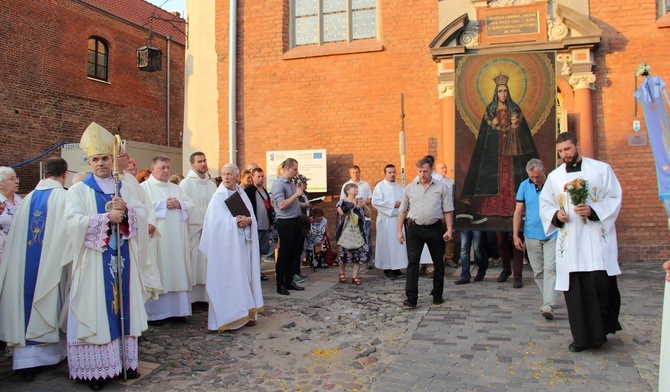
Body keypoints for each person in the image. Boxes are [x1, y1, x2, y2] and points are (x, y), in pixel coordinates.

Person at [64, 122, 149, 390]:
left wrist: (128, 213)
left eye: (105, 158)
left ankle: (123, 363)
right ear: (88, 163)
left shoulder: (125, 185)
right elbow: (71, 222)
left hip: (122, 256)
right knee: (98, 310)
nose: (101, 163)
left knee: (123, 308)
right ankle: (96, 371)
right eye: (96, 159)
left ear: (113, 160)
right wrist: (104, 218)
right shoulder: (79, 190)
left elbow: (142, 213)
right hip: (94, 261)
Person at [539, 132, 622, 352]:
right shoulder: (555, 177)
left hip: (595, 240)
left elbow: (614, 197)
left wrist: (593, 210)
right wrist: (557, 216)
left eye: (567, 149)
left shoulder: (601, 170)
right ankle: (581, 338)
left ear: (577, 145)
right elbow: (545, 204)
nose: (564, 154)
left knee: (599, 288)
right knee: (575, 292)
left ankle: (600, 335)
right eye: (560, 151)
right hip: (572, 243)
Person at [0, 158, 69, 381]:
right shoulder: (64, 197)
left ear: (44, 173)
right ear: (64, 174)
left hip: (23, 268)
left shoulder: (27, 199)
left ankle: (25, 361)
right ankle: (47, 356)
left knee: (25, 303)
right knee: (47, 300)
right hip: (51, 265)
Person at [461, 73, 539, 218]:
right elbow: (484, 136)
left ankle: (515, 207)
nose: (503, 94)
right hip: (493, 151)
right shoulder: (490, 111)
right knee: (494, 177)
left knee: (512, 176)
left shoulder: (515, 109)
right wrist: (493, 126)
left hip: (513, 148)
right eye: (500, 91)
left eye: (505, 91)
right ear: (495, 93)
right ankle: (491, 206)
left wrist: (514, 126)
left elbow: (524, 132)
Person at [200, 164, 264, 332]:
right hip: (225, 250)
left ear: (237, 176)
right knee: (229, 280)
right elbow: (214, 224)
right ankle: (227, 317)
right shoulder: (217, 197)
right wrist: (234, 221)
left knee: (245, 278)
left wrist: (249, 221)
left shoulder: (242, 194)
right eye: (223, 174)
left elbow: (252, 217)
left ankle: (247, 313)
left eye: (229, 174)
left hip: (243, 245)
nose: (226, 177)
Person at [141, 155, 194, 324]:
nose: (165, 171)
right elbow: (142, 209)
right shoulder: (144, 188)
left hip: (177, 239)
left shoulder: (176, 189)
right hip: (157, 239)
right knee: (160, 270)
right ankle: (156, 314)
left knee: (177, 270)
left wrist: (180, 205)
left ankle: (178, 311)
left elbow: (190, 205)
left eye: (168, 168)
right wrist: (163, 204)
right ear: (152, 169)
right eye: (162, 167)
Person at [397, 157, 454, 308]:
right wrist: (399, 231)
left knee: (438, 263)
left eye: (425, 171)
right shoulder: (410, 188)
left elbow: (448, 210)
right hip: (415, 229)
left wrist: (449, 229)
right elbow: (403, 211)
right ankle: (411, 298)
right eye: (420, 171)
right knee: (413, 263)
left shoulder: (441, 187)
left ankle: (437, 294)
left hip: (435, 228)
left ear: (431, 170)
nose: (422, 174)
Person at [513, 158, 557, 319]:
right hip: (531, 233)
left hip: (552, 232)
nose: (535, 180)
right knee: (538, 271)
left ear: (544, 170)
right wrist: (515, 235)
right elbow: (518, 212)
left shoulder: (553, 184)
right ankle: (548, 297)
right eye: (532, 177)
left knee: (550, 268)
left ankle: (548, 304)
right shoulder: (524, 185)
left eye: (537, 176)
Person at [180, 152, 217, 304]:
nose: (203, 164)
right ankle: (193, 299)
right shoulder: (186, 183)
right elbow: (184, 206)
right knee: (195, 265)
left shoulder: (211, 184)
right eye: (199, 161)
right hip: (194, 231)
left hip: (210, 230)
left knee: (208, 265)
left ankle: (207, 298)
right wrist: (199, 224)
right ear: (192, 165)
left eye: (204, 160)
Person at [270, 158, 305, 295]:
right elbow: (281, 205)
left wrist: (301, 201)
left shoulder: (291, 183)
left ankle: (289, 281)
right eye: (295, 169)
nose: (297, 172)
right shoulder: (279, 184)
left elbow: (293, 202)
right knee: (284, 253)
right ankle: (280, 284)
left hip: (295, 220)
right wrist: (296, 194)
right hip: (286, 222)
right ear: (287, 169)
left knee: (294, 253)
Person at [371, 164, 407, 280]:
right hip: (386, 220)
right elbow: (375, 202)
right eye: (390, 172)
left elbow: (406, 202)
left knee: (397, 245)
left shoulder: (400, 187)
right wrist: (392, 204)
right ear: (385, 174)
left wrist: (401, 205)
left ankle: (397, 268)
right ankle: (387, 269)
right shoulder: (380, 186)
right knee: (386, 244)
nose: (392, 174)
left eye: (394, 172)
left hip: (398, 220)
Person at [336, 183, 371, 285]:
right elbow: (341, 213)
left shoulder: (361, 201)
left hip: (359, 232)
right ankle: (341, 273)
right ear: (347, 190)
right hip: (346, 232)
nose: (356, 189)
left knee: (358, 254)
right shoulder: (342, 202)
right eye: (353, 188)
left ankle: (355, 276)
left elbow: (368, 215)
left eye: (356, 188)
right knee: (344, 253)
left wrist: (364, 206)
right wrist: (353, 206)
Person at [243, 167, 273, 281]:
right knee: (253, 250)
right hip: (254, 225)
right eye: (258, 176)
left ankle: (258, 271)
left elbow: (268, 208)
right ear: (253, 177)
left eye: (262, 176)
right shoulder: (249, 191)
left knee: (261, 251)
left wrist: (270, 222)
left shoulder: (264, 191)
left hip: (264, 225)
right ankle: (252, 273)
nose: (261, 179)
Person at [340, 165, 373, 265]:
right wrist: (352, 205)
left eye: (357, 172)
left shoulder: (365, 184)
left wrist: (362, 204)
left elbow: (370, 199)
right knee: (351, 240)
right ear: (350, 174)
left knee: (366, 238)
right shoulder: (346, 185)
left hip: (363, 218)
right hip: (351, 219)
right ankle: (353, 260)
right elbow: (342, 201)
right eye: (353, 173)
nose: (355, 174)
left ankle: (368, 260)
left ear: (360, 172)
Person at [435, 162, 458, 268]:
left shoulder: (450, 181)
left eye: (445, 167)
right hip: (438, 212)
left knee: (450, 235)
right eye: (442, 168)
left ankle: (449, 258)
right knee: (438, 235)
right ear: (436, 169)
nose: (444, 169)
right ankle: (439, 258)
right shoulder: (435, 181)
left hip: (449, 211)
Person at [0, 166, 23, 259]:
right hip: (2, 251)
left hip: (19, 249)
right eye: (11, 179)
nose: (17, 181)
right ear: (0, 184)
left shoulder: (20, 200)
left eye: (16, 178)